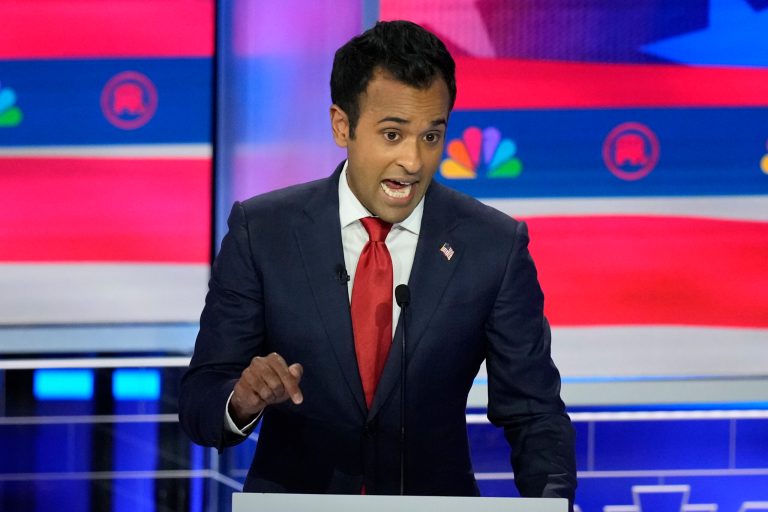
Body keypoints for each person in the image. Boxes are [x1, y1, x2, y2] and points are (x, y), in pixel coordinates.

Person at [179, 19, 576, 502]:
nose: (413, 161)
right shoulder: (262, 232)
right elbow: (200, 401)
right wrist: (240, 401)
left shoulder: (492, 244)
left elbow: (534, 414)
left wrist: (553, 501)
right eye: (393, 134)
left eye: (431, 137)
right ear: (342, 125)